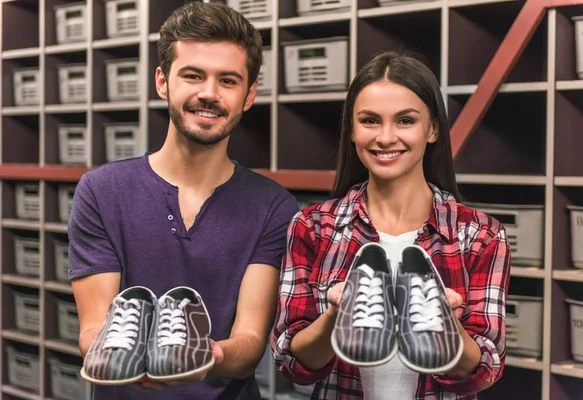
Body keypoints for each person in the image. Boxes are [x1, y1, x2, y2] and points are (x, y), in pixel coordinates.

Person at [68, 2, 299, 399]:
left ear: (249, 94)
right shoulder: (101, 191)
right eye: (193, 76)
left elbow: (248, 344)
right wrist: (126, 354)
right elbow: (93, 331)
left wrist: (207, 354)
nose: (208, 94)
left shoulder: (274, 206)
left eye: (228, 80)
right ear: (163, 81)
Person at [271, 50, 511, 399]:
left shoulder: (480, 235)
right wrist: (339, 315)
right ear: (351, 131)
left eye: (405, 121)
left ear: (432, 129)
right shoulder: (312, 227)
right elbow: (293, 362)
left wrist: (443, 324)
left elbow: (485, 368)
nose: (385, 137)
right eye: (369, 121)